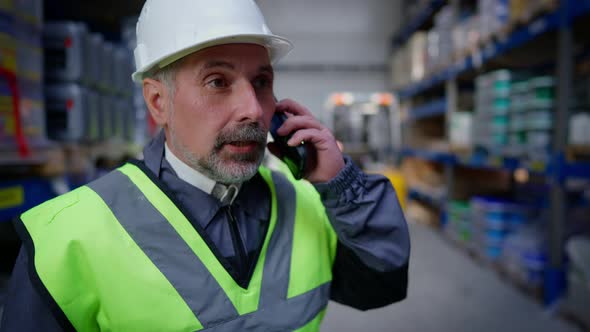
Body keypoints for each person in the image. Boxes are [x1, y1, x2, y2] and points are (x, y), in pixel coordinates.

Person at [0, 0, 410, 331]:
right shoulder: (68, 240)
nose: (253, 109)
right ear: (158, 101)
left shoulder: (312, 202)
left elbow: (381, 286)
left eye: (262, 82)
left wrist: (343, 186)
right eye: (218, 81)